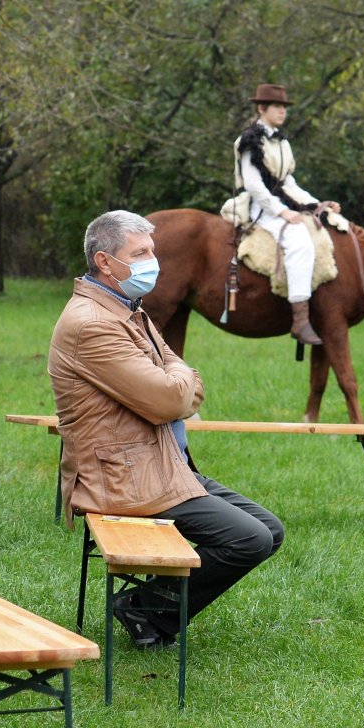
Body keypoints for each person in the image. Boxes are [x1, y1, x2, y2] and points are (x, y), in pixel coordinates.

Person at [48, 209, 283, 647]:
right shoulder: (93, 324)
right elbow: (169, 397)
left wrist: (176, 379)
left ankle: (150, 605)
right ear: (104, 261)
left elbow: (170, 364)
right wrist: (182, 383)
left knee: (269, 530)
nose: (152, 261)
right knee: (247, 540)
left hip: (160, 464)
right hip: (124, 477)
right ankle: (144, 608)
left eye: (151, 250)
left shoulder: (125, 307)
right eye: (140, 253)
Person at [225, 83, 338, 347]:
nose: (282, 112)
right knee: (299, 242)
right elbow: (254, 184)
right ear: (261, 108)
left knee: (317, 228)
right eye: (276, 106)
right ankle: (300, 320)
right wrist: (282, 211)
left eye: (284, 107)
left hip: (283, 199)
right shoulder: (250, 140)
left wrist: (317, 204)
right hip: (261, 206)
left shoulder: (282, 141)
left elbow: (289, 182)